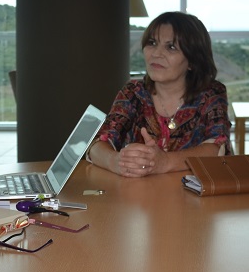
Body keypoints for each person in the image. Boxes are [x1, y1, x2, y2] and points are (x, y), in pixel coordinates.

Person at [87, 11, 231, 177]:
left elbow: (217, 147)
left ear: (192, 60)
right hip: (137, 198)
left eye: (171, 47)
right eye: (152, 43)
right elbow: (97, 145)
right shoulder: (133, 93)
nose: (156, 54)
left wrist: (165, 162)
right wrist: (117, 162)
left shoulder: (211, 93)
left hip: (192, 198)